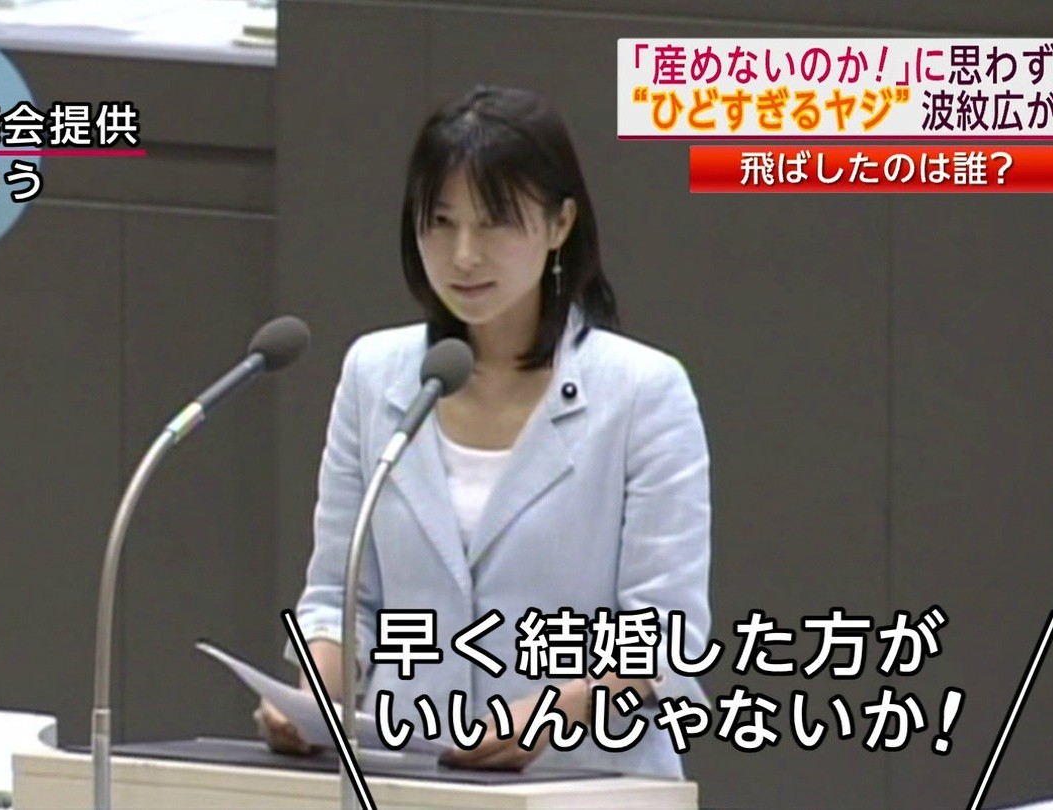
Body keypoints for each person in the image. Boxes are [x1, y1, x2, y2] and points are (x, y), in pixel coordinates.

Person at [257, 85, 712, 778]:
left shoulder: (642, 392)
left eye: (495, 222)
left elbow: (667, 631)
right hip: (413, 776)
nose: (463, 254)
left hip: (586, 781)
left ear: (561, 224)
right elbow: (341, 600)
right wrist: (312, 697)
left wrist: (556, 709)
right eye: (440, 223)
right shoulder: (375, 375)